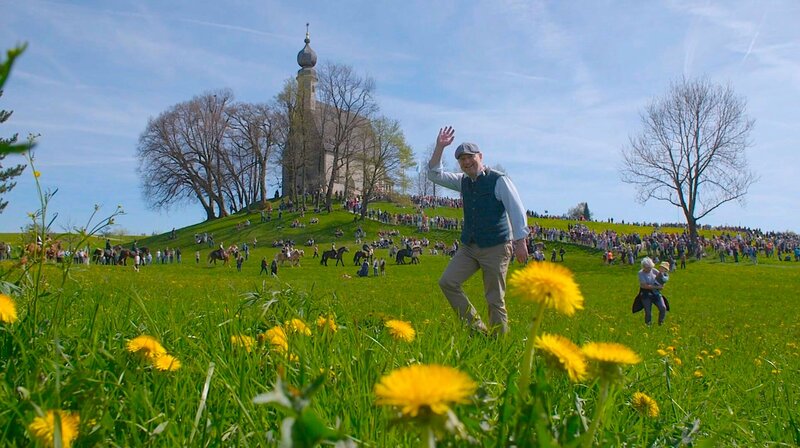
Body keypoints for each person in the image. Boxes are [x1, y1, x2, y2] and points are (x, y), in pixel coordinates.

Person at [427, 126, 529, 335]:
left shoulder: (499, 180)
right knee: (447, 282)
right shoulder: (463, 181)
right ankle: (478, 330)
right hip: (469, 247)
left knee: (494, 298)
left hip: (496, 246)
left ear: (480, 157)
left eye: (470, 157)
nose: (466, 162)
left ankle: (499, 343)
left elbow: (516, 209)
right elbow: (434, 175)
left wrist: (521, 241)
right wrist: (440, 147)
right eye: (462, 159)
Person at [634, 257, 667, 326]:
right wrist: (657, 287)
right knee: (648, 312)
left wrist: (662, 283)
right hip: (645, 294)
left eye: (650, 267)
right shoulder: (641, 273)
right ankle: (648, 325)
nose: (649, 269)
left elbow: (661, 278)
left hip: (656, 293)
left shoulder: (654, 270)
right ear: (643, 267)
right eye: (647, 268)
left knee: (663, 307)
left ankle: (661, 323)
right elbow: (644, 286)